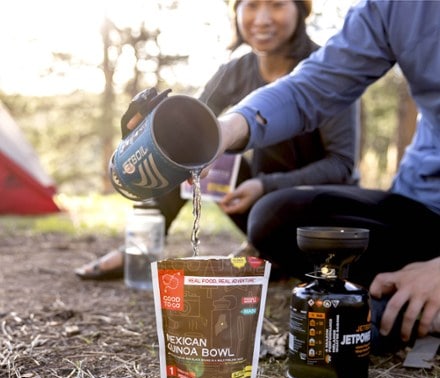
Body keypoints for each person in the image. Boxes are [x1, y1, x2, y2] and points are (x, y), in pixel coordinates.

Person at [211, 0, 440, 353]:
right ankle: (404, 286)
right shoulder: (393, 7)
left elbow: (341, 163)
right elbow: (311, 88)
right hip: (422, 208)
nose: (262, 17)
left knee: (369, 329)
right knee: (274, 216)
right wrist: (220, 131)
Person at [75, 0, 360, 280]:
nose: (261, 18)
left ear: (300, 9)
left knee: (269, 209)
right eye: (251, 5)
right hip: (257, 205)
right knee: (187, 152)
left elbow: (341, 165)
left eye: (276, 4)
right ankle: (141, 248)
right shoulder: (235, 71)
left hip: (318, 210)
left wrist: (264, 186)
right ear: (235, 11)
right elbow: (189, 131)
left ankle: (275, 254)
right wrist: (152, 129)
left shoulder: (326, 73)